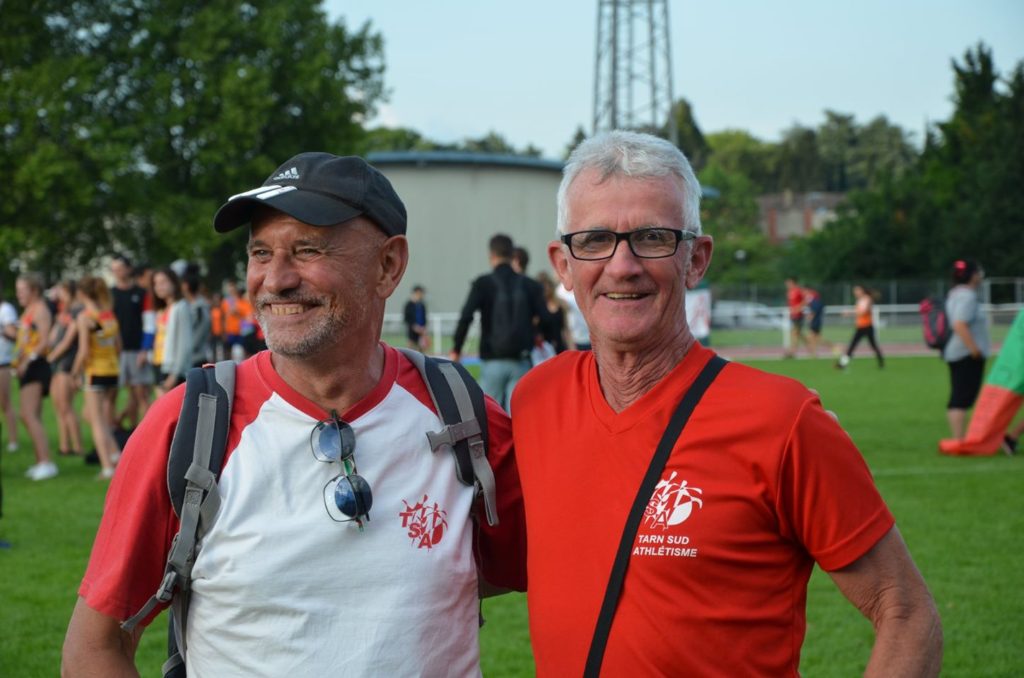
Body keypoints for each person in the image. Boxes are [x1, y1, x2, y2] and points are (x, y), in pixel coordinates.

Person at [63, 152, 525, 676]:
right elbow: (95, 646)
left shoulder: (460, 413)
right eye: (261, 252)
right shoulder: (188, 427)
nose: (275, 279)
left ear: (388, 265)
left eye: (307, 250)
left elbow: (554, 566)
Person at [510, 130, 942, 675]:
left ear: (696, 259)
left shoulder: (781, 421)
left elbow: (905, 610)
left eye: (652, 237)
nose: (622, 265)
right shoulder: (534, 399)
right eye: (595, 240)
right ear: (564, 265)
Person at [451, 234, 545, 410]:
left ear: (491, 255)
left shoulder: (483, 283)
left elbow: (466, 316)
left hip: (492, 359)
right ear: (512, 255)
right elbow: (546, 319)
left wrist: (457, 347)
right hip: (521, 360)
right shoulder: (530, 285)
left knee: (489, 417)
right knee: (519, 417)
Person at [72, 276, 122, 479]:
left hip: (95, 372)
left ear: (81, 294)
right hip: (112, 370)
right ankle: (115, 453)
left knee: (97, 421)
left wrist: (74, 372)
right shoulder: (108, 314)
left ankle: (107, 467)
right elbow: (119, 346)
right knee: (92, 415)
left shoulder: (85, 317)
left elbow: (83, 351)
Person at [14, 272, 57, 480]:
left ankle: (46, 462)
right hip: (27, 364)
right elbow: (28, 337)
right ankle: (41, 460)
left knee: (28, 414)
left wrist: (28, 359)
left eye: (22, 290)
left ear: (34, 290)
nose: (19, 294)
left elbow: (45, 340)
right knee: (30, 415)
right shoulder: (29, 310)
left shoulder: (40, 309)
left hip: (36, 365)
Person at [944, 259, 989, 439]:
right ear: (971, 276)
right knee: (961, 398)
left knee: (961, 396)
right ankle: (959, 438)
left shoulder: (955, 293)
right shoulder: (967, 296)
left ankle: (961, 437)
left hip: (957, 352)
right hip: (965, 354)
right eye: (977, 272)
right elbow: (959, 324)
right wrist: (974, 350)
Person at [110, 255, 154, 431]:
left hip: (136, 350)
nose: (117, 273)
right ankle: (113, 431)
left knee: (140, 393)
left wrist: (145, 349)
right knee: (111, 394)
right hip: (115, 352)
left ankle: (144, 430)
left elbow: (149, 324)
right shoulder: (110, 294)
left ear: (128, 269)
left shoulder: (142, 293)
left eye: (120, 268)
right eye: (114, 269)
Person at [47, 280, 85, 457]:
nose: (58, 295)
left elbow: (69, 339)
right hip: (57, 362)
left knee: (66, 405)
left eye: (61, 291)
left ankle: (78, 446)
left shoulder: (78, 311)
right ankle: (64, 446)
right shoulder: (64, 311)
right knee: (58, 406)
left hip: (66, 363)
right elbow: (53, 335)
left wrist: (52, 355)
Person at [150, 267, 192, 395]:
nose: (159, 287)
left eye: (163, 282)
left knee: (173, 412)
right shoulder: (161, 310)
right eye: (156, 283)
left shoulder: (181, 307)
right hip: (158, 363)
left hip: (172, 368)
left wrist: (175, 374)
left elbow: (185, 343)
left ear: (174, 283)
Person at [837, 285, 885, 369]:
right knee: (855, 345)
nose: (855, 292)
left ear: (862, 291)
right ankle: (842, 364)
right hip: (861, 326)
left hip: (866, 327)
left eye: (857, 290)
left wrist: (849, 312)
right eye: (855, 291)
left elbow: (863, 312)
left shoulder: (866, 299)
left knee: (869, 345)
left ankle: (842, 364)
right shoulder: (860, 300)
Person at [0, 284, 19, 453]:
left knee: (4, 402)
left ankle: (13, 439)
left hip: (3, 362)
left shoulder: (6, 309)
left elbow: (13, 334)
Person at [181, 264, 212, 368]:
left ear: (186, 286)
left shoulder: (199, 308)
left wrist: (185, 349)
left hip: (195, 359)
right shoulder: (190, 306)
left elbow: (197, 337)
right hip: (191, 357)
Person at [536, 271, 572, 354]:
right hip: (545, 351)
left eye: (547, 285)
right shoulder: (538, 307)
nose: (546, 289)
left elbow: (566, 329)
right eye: (543, 286)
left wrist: (572, 348)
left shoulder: (560, 304)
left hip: (561, 347)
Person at [784, 276, 811, 358]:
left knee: (794, 333)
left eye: (788, 282)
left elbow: (806, 300)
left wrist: (798, 308)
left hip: (799, 315)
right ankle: (810, 346)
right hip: (793, 315)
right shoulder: (789, 292)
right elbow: (791, 303)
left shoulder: (798, 290)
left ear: (792, 282)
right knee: (798, 334)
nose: (786, 284)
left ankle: (792, 352)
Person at [403, 284, 429, 350]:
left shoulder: (422, 305)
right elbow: (406, 318)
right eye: (419, 293)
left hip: (421, 332)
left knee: (421, 351)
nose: (421, 295)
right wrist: (414, 327)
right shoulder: (409, 305)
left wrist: (423, 329)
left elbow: (424, 318)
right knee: (411, 351)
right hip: (412, 332)